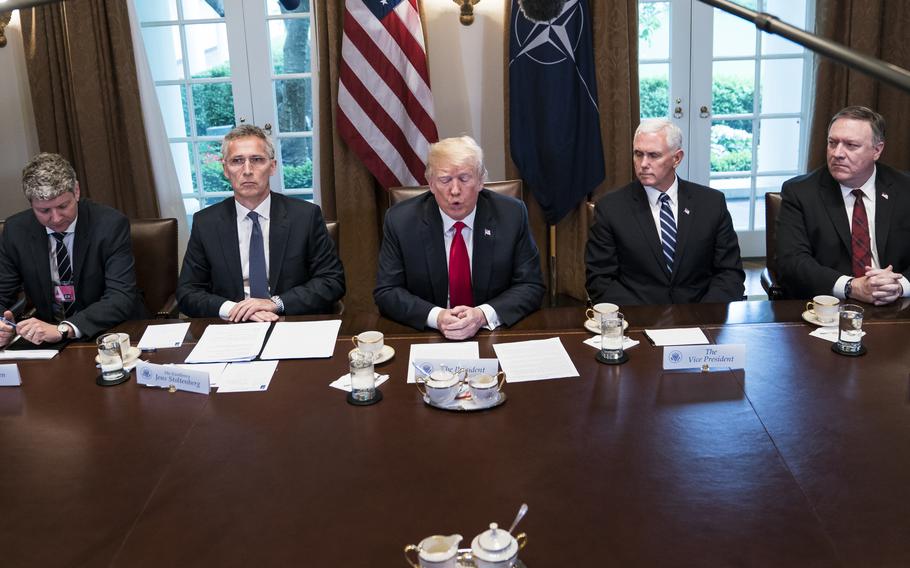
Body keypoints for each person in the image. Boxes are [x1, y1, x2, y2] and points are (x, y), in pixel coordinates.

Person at [374, 136, 544, 339]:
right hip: (428, 335)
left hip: (492, 333)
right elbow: (387, 291)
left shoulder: (512, 215)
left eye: (464, 178)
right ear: (430, 183)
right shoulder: (401, 221)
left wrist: (482, 315)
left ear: (481, 180)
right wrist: (436, 317)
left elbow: (531, 285)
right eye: (445, 180)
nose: (454, 191)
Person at [177, 124, 345, 321]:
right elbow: (188, 292)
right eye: (237, 161)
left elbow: (332, 281)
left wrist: (276, 303)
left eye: (257, 160)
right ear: (225, 169)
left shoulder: (305, 216)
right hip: (231, 325)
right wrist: (234, 309)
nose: (247, 170)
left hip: (289, 320)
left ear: (272, 166)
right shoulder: (206, 223)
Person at [585, 119, 745, 305]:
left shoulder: (711, 204)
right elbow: (600, 280)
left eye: (653, 155)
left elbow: (729, 274)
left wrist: (702, 316)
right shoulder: (611, 208)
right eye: (638, 154)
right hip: (637, 321)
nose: (643, 163)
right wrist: (647, 318)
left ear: (676, 158)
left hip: (700, 319)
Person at [0, 153, 145, 347]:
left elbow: (121, 296)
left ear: (76, 191)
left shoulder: (110, 224)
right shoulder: (16, 230)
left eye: (63, 206)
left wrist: (64, 328)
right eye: (44, 211)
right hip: (48, 338)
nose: (56, 218)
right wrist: (2, 325)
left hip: (112, 332)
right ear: (31, 204)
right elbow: (2, 292)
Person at [777, 106, 910, 304]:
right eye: (832, 143)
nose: (838, 153)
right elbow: (792, 261)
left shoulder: (904, 189)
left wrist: (899, 286)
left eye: (851, 145)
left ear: (877, 150)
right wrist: (850, 286)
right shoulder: (800, 192)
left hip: (897, 304)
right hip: (827, 306)